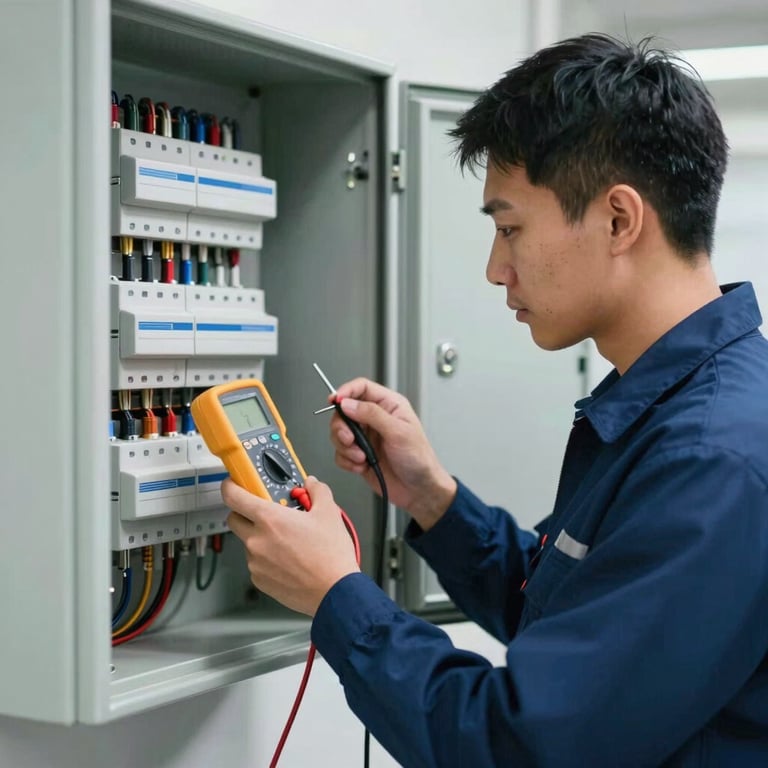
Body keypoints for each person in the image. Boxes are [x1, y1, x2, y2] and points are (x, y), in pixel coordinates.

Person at [223, 33, 768, 767]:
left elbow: (520, 746)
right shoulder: (678, 411)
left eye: (510, 228)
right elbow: (575, 624)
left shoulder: (712, 458)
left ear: (618, 220)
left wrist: (335, 594)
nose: (495, 268)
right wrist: (434, 499)